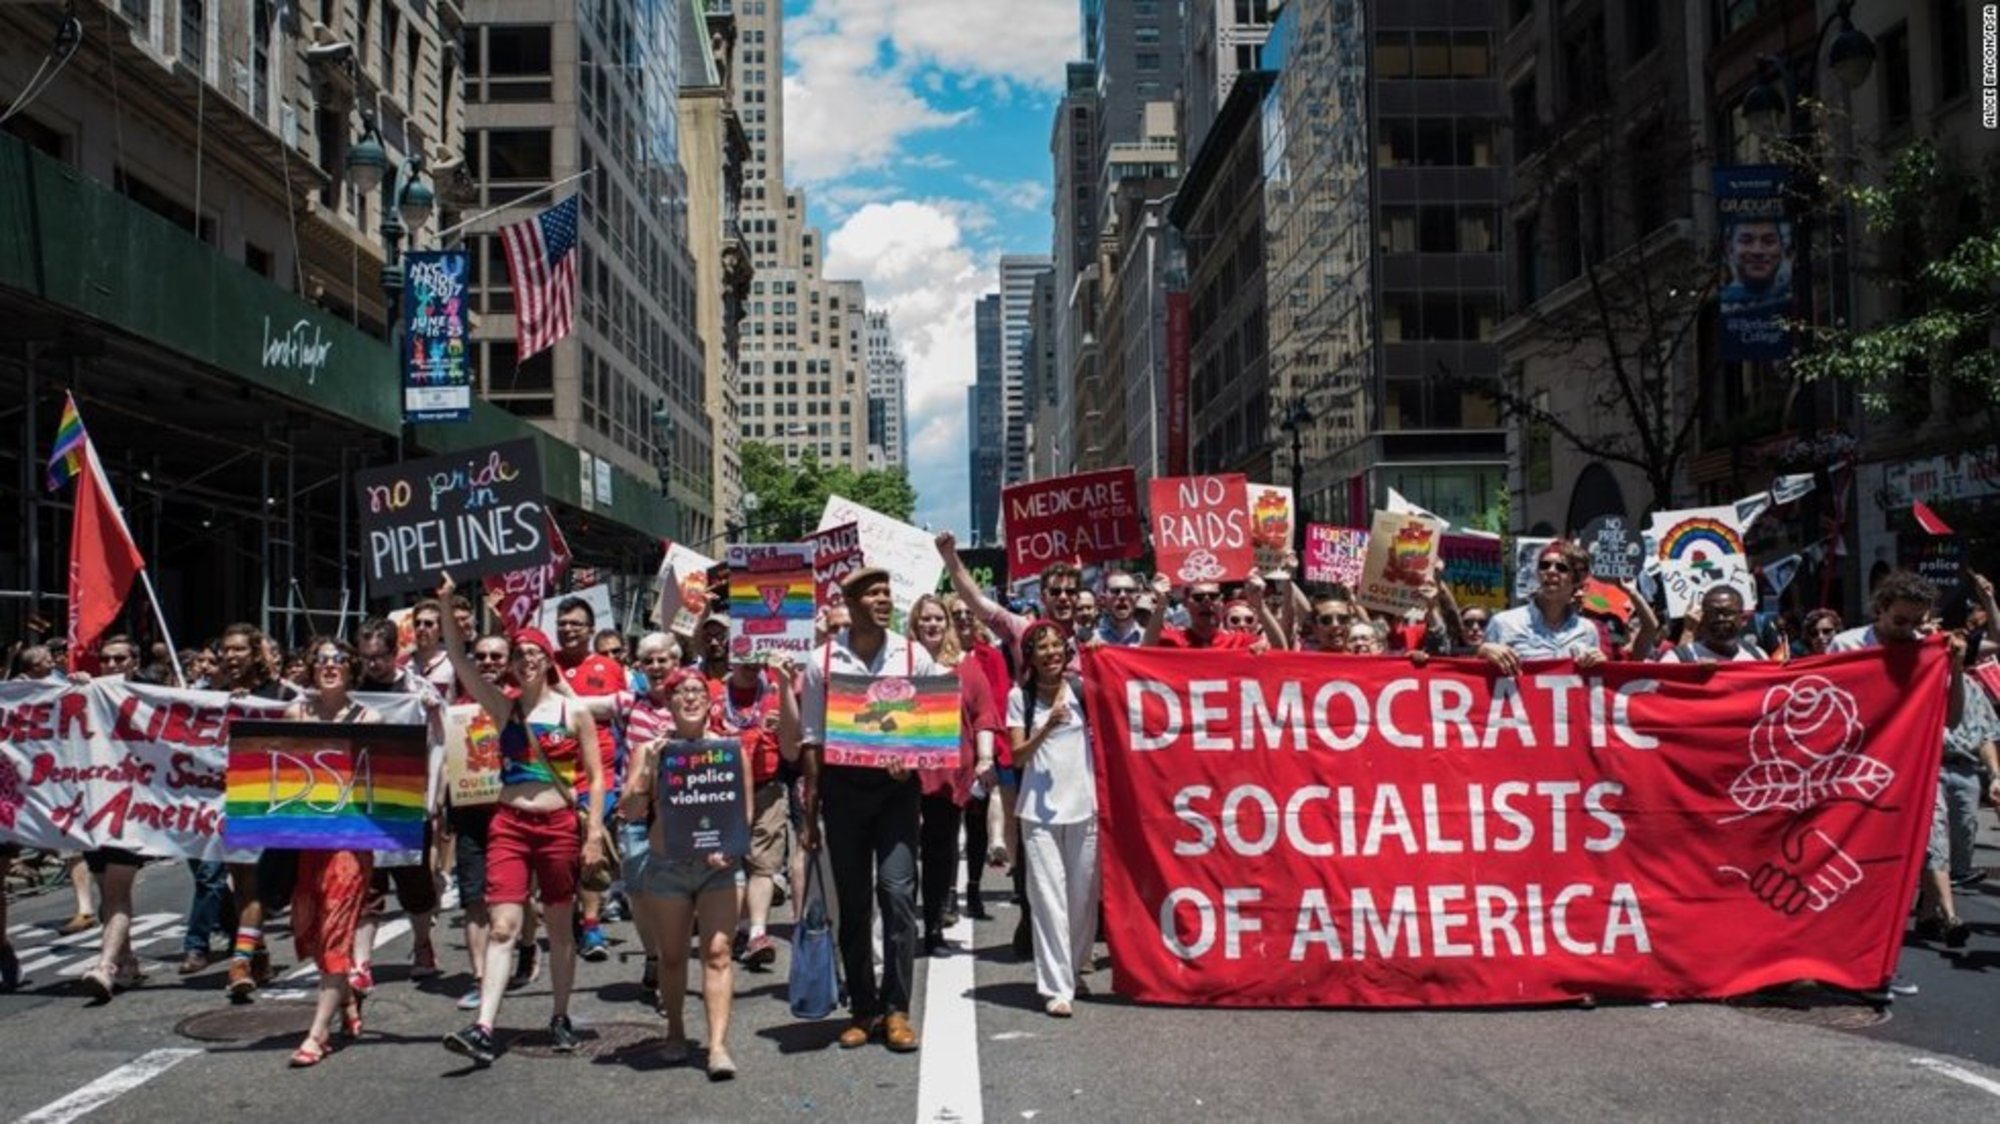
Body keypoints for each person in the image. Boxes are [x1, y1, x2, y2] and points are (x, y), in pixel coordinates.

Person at [439, 576, 608, 1066]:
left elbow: (596, 777)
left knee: (559, 927)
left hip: (558, 828)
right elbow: (459, 660)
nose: (528, 660)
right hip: (509, 826)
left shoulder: (574, 712)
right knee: (503, 926)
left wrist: (594, 834)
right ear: (513, 664)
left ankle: (560, 1015)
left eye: (536, 653)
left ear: (548, 660)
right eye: (521, 655)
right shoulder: (503, 707)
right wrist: (447, 604)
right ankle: (484, 1027)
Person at [799, 566, 939, 1053]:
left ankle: (897, 1008)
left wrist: (913, 757)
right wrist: (811, 814)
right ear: (851, 601)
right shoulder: (821, 662)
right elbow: (812, 739)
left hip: (897, 793)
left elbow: (934, 724)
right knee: (854, 902)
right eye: (873, 593)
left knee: (897, 894)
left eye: (887, 593)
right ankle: (864, 1008)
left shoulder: (913, 655)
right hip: (843, 793)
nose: (884, 600)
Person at [623, 666, 768, 1079]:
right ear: (668, 703)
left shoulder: (730, 749)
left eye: (697, 692)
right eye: (681, 692)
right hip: (666, 866)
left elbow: (744, 811)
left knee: (718, 953)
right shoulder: (650, 750)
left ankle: (717, 1046)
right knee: (671, 957)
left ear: (709, 701)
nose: (690, 698)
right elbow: (630, 811)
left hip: (718, 869)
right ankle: (675, 1031)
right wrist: (649, 770)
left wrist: (730, 847)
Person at [1827, 570, 1970, 971]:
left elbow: (1953, 719)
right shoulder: (1847, 645)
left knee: (1925, 845)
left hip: (1914, 771)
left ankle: (1886, 952)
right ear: (1880, 610)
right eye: (1900, 621)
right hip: (1856, 772)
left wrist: (1956, 666)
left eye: (1917, 622)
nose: (1908, 631)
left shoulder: (1930, 650)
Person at [281, 639, 380, 1067]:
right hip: (309, 840)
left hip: (350, 842)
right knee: (312, 928)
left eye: (338, 659)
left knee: (336, 931)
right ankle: (346, 1001)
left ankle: (317, 1034)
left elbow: (382, 779)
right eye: (321, 659)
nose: (329, 666)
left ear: (351, 668)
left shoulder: (369, 718)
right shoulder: (296, 714)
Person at [1007, 621, 1099, 1018]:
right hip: (1038, 814)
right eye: (1041, 648)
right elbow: (1017, 757)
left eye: (1056, 645)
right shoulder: (1019, 697)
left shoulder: (1082, 690)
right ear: (1031, 657)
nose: (1051, 653)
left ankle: (1074, 969)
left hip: (1084, 806)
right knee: (1049, 899)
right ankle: (1056, 987)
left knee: (1083, 898)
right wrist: (1046, 726)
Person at [353, 617, 444, 988]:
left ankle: (422, 944)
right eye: (366, 657)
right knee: (365, 885)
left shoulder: (417, 689)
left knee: (414, 884)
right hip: (362, 803)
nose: (372, 664)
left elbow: (439, 742)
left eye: (379, 656)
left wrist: (432, 796)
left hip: (407, 799)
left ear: (395, 653)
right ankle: (361, 962)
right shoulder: (352, 688)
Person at [214, 623, 299, 1001]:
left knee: (267, 888)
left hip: (278, 802)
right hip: (234, 800)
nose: (232, 657)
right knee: (243, 881)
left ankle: (254, 952)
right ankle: (244, 960)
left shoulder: (280, 695)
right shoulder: (211, 697)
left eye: (239, 650)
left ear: (255, 654)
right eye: (227, 650)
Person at [551, 596, 631, 963]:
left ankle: (592, 925)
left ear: (590, 629)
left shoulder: (608, 668)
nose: (568, 629)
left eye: (575, 624)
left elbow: (622, 714)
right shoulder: (544, 664)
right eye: (562, 623)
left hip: (598, 775)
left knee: (590, 847)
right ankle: (565, 914)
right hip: (553, 773)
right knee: (561, 854)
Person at [713, 647, 796, 970]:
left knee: (763, 862)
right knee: (730, 861)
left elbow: (792, 747)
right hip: (723, 789)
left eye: (756, 658)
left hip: (767, 787)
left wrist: (783, 718)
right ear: (730, 659)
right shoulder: (713, 694)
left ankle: (758, 933)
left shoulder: (776, 691)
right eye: (743, 657)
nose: (750, 664)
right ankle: (740, 927)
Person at [448, 633, 513, 1013]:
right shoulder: (459, 706)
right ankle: (480, 977)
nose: (488, 662)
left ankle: (524, 950)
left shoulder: (521, 701)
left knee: (515, 899)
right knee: (474, 898)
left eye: (496, 656)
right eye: (482, 656)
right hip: (471, 811)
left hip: (513, 812)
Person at [907, 594, 973, 955]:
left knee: (938, 856)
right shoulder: (900, 663)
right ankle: (901, 929)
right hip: (904, 775)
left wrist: (984, 760)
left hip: (946, 777)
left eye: (938, 619)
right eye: (925, 619)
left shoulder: (964, 666)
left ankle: (933, 928)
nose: (932, 624)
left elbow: (983, 715)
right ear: (914, 625)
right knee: (903, 858)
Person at [938, 530, 1085, 674]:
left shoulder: (1090, 640)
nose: (1063, 597)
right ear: (1043, 597)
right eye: (1055, 592)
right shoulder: (1023, 629)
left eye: (1070, 591)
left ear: (1078, 597)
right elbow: (977, 601)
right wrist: (951, 558)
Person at [1477, 542, 1606, 674]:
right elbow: (1478, 677)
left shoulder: (1588, 630)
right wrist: (1483, 652)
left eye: (1561, 567)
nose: (1551, 571)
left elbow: (1593, 679)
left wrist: (1600, 663)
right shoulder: (1503, 623)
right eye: (1544, 566)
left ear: (1577, 579)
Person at [1143, 577, 1263, 650]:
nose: (1207, 602)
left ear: (1221, 602)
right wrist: (1161, 605)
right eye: (1198, 597)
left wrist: (1260, 605)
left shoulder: (1239, 642)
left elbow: (1275, 652)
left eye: (1213, 596)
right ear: (1186, 603)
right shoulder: (1172, 640)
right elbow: (1145, 651)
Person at [1658, 586, 1767, 662]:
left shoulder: (1758, 656)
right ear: (1702, 618)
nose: (1720, 618)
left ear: (1743, 619)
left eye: (1727, 613)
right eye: (1712, 613)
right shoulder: (1677, 659)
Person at [1095, 574, 1146, 646]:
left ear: (1137, 598)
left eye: (1129, 591)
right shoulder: (1093, 640)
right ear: (1104, 599)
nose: (1122, 595)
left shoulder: (1151, 640)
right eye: (1115, 591)